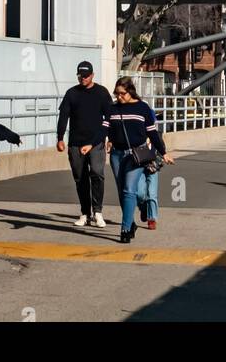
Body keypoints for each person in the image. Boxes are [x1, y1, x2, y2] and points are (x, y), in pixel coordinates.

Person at [104, 77, 173, 242]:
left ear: (130, 91)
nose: (119, 97)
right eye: (116, 93)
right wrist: (94, 143)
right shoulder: (113, 109)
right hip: (116, 154)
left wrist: (163, 152)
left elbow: (152, 133)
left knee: (130, 190)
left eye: (122, 93)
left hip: (135, 155)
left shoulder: (142, 108)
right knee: (123, 192)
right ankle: (131, 222)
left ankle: (125, 229)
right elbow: (106, 129)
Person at [56, 60, 113, 228]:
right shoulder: (71, 93)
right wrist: (60, 138)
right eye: (81, 76)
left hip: (96, 143)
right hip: (75, 143)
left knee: (97, 173)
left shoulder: (102, 92)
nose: (83, 79)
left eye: (86, 76)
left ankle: (98, 212)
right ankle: (85, 213)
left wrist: (109, 138)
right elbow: (63, 116)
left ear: (92, 75)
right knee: (80, 178)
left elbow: (109, 117)